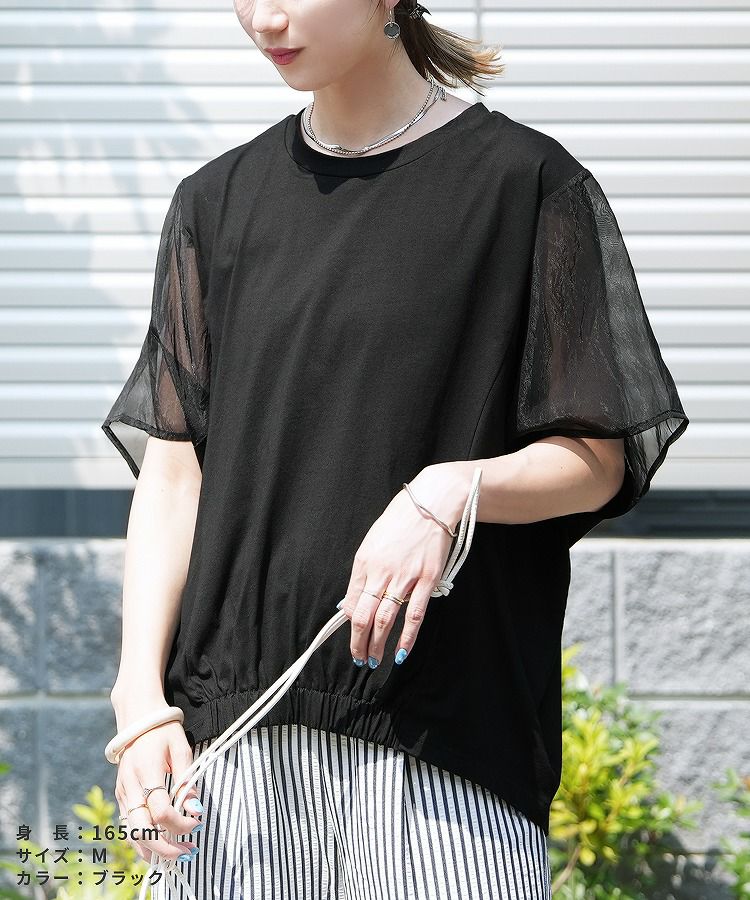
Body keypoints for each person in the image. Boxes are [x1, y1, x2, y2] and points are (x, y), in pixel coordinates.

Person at [101, 0, 690, 897]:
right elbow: (175, 474)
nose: (263, 17)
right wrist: (140, 703)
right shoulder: (214, 204)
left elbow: (596, 459)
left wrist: (449, 491)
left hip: (440, 750)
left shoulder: (526, 185)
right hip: (233, 748)